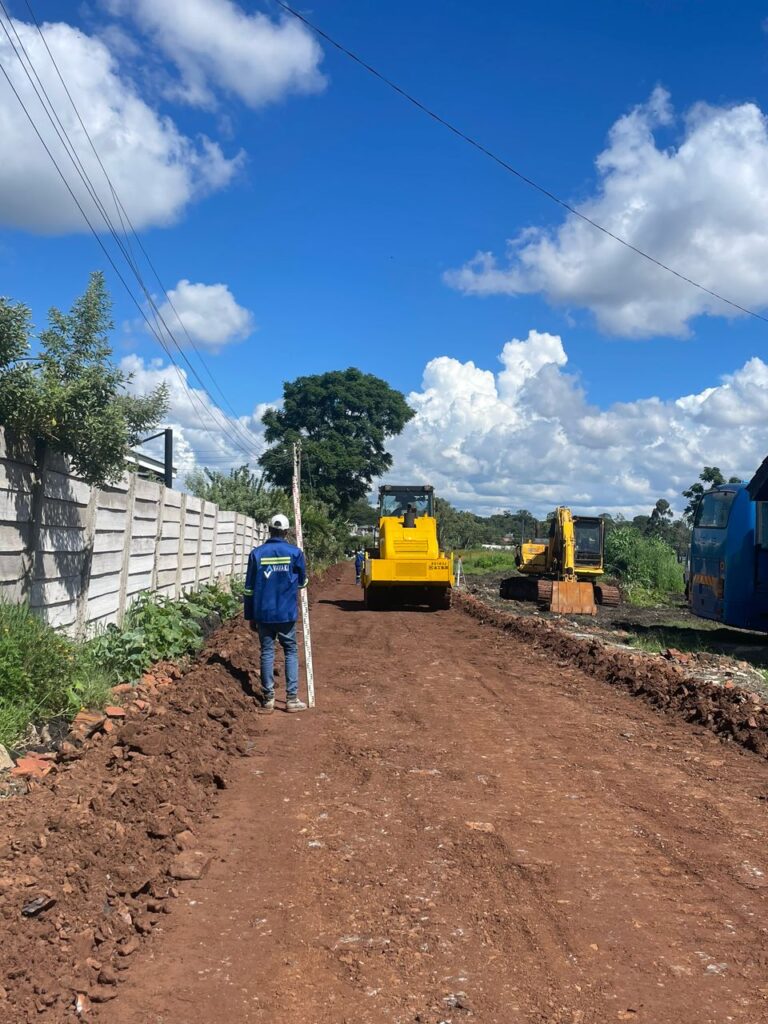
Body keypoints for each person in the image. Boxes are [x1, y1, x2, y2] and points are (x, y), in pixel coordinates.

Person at [244, 513, 308, 713]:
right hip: (286, 613)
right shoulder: (295, 553)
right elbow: (302, 581)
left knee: (267, 652)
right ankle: (291, 699)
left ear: (269, 530)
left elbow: (249, 589)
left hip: (263, 613)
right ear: (286, 532)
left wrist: (250, 615)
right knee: (290, 650)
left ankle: (268, 699)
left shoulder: (256, 554)